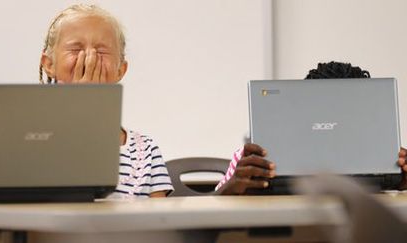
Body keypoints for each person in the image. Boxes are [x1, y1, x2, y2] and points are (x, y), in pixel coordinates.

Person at [39, 4, 173, 198]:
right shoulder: (35, 141)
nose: (89, 58)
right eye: (76, 48)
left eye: (101, 52)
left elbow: (161, 221)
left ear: (120, 70)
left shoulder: (146, 151)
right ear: (49, 64)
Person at [216, 61, 407, 194]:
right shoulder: (251, 159)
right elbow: (210, 209)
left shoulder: (385, 156)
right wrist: (229, 190)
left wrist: (402, 182)